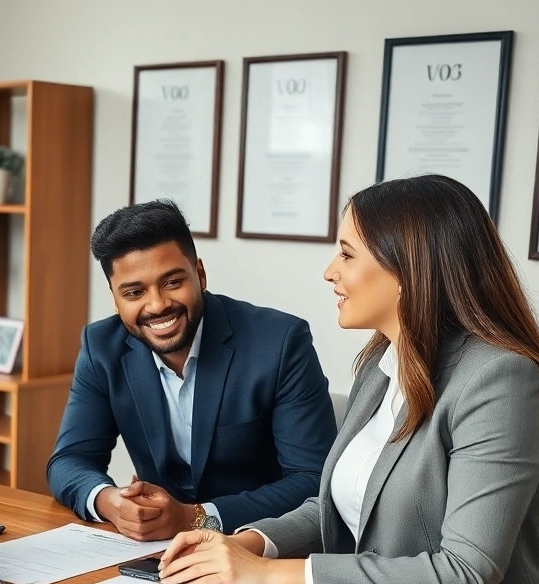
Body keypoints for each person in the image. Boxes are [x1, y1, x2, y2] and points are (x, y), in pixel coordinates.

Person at [158, 174, 539, 584]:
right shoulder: (383, 362)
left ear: (406, 271)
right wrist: (250, 544)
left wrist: (271, 574)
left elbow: (464, 578)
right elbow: (340, 505)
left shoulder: (501, 381)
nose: (330, 272)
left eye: (346, 254)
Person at [46, 200, 338, 541]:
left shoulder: (279, 343)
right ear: (115, 298)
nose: (156, 305)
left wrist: (195, 517)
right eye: (134, 292)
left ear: (199, 274)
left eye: (172, 282)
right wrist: (110, 502)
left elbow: (311, 479)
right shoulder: (101, 347)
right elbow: (69, 460)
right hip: (156, 552)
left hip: (257, 546)